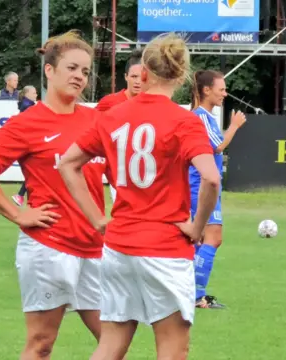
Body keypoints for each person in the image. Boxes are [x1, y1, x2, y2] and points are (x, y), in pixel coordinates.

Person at [58, 33, 221, 360]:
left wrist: (98, 219)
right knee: (173, 347)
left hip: (118, 246)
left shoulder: (112, 116)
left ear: (143, 73)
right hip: (164, 247)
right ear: (181, 75)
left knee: (110, 344)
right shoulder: (184, 121)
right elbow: (212, 178)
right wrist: (196, 226)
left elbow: (67, 164)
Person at [0, 30, 106, 360]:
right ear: (49, 71)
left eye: (85, 72)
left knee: (114, 341)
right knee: (41, 345)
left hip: (96, 247)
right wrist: (18, 214)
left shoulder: (96, 120)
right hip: (50, 247)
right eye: (72, 68)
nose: (79, 77)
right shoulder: (27, 124)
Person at [189, 70, 246, 309]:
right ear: (206, 90)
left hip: (203, 186)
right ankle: (195, 295)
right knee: (213, 238)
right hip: (201, 187)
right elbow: (218, 146)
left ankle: (190, 293)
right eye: (221, 89)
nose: (225, 93)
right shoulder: (201, 116)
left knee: (200, 242)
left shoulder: (204, 117)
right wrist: (234, 126)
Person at [94, 49, 143, 202]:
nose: (138, 81)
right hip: (117, 174)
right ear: (126, 77)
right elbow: (92, 130)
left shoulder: (150, 104)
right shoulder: (109, 103)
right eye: (134, 76)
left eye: (141, 77)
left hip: (143, 172)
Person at [11, 85, 39, 207]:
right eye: (34, 93)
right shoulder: (29, 107)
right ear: (27, 94)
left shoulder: (25, 106)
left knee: (33, 175)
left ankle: (22, 196)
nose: (36, 95)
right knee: (35, 174)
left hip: (27, 144)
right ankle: (22, 196)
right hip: (31, 144)